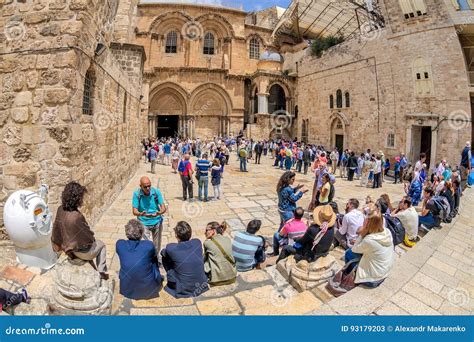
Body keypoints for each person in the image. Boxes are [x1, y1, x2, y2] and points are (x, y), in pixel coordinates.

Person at [52, 181, 108, 279]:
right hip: (78, 251)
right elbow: (88, 238)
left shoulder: (60, 209)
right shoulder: (76, 216)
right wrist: (91, 238)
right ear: (77, 198)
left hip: (67, 248)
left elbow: (56, 229)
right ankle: (102, 272)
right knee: (101, 245)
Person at [344, 204, 395, 288]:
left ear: (368, 224)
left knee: (348, 253)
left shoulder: (370, 240)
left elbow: (354, 249)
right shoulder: (387, 231)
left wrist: (362, 233)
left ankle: (349, 276)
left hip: (373, 279)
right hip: (384, 271)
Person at [116, 219, 163, 300]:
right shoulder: (149, 245)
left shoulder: (120, 244)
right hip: (148, 290)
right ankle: (158, 279)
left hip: (126, 290)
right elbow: (154, 258)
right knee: (154, 261)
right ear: (141, 234)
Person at [161, 221, 209, 298]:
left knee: (165, 256)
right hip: (201, 284)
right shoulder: (197, 242)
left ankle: (174, 278)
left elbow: (163, 252)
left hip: (182, 288)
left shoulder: (171, 248)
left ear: (176, 235)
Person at [132, 176, 166, 253]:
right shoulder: (137, 194)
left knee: (157, 245)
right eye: (145, 187)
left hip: (156, 221)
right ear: (140, 186)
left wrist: (159, 212)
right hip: (143, 222)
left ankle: (156, 259)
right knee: (146, 245)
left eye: (149, 186)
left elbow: (163, 207)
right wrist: (141, 214)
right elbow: (134, 211)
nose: (148, 188)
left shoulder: (156, 192)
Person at [203, 222, 237, 286]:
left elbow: (204, 259)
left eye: (207, 230)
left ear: (213, 231)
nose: (205, 232)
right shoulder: (228, 239)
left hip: (216, 281)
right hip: (232, 278)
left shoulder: (207, 243)